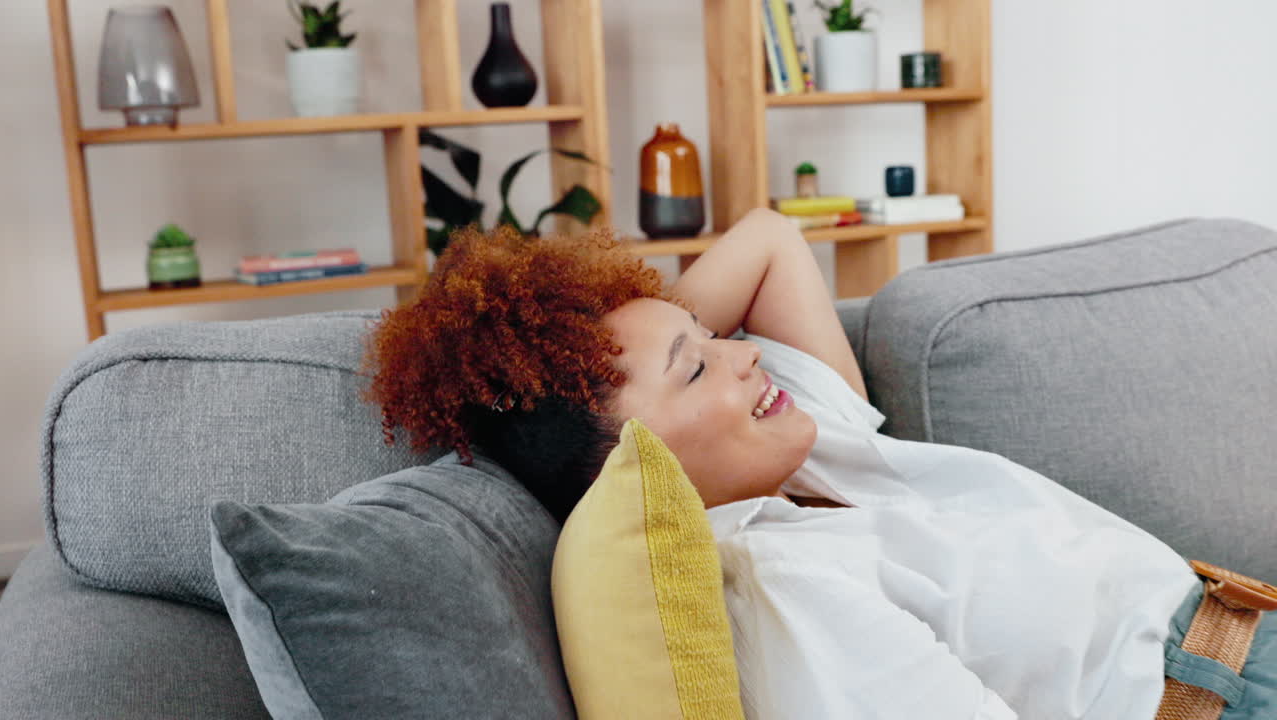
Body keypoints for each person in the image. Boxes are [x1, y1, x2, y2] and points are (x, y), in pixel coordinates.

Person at [363, 209, 1277, 719]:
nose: (746, 354)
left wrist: (629, 350)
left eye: (714, 336)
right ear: (632, 470)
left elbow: (769, 240)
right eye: (699, 366)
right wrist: (597, 416)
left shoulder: (806, 444)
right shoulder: (780, 587)